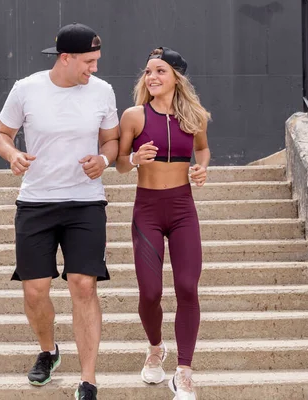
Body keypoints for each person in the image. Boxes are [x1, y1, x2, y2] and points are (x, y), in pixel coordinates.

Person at [0, 23, 119, 400]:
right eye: (88, 61)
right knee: (35, 290)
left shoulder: (102, 91)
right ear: (65, 58)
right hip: (36, 202)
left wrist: (103, 159)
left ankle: (88, 379)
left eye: (96, 61)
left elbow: (111, 140)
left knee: (83, 284)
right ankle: (49, 351)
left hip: (85, 201)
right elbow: (1, 134)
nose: (94, 68)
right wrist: (13, 154)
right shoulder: (27, 89)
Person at [115, 47, 211, 400]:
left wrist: (201, 167)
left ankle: (184, 371)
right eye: (148, 72)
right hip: (148, 210)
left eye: (160, 71)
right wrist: (134, 158)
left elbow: (202, 149)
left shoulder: (194, 117)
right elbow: (120, 165)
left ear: (176, 78)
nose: (151, 77)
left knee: (188, 286)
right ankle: (155, 347)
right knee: (150, 292)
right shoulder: (134, 116)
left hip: (183, 207)